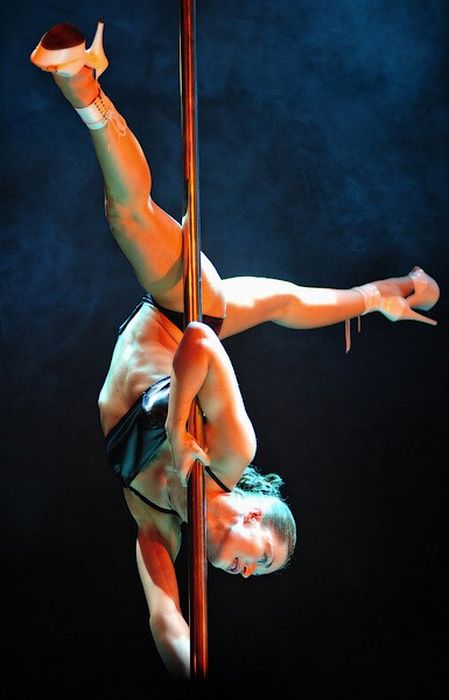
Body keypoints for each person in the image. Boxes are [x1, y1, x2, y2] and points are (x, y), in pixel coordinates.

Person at [30, 21, 440, 678]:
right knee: (128, 216)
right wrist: (175, 429)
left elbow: (164, 618)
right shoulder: (230, 452)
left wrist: (192, 675)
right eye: (262, 558)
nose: (247, 574)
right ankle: (83, 81)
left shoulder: (156, 517)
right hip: (183, 315)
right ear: (253, 513)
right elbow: (198, 339)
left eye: (255, 573)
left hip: (170, 319)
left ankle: (390, 293)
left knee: (279, 303)